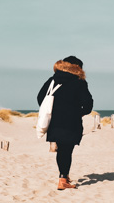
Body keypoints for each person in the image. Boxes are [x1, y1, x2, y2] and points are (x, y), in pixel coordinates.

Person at [37, 56, 94, 190]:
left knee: (61, 150)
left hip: (54, 121)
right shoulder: (79, 81)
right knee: (67, 150)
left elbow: (40, 97)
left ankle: (64, 176)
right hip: (71, 121)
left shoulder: (52, 80)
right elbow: (88, 103)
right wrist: (80, 112)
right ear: (77, 67)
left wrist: (52, 110)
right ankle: (63, 179)